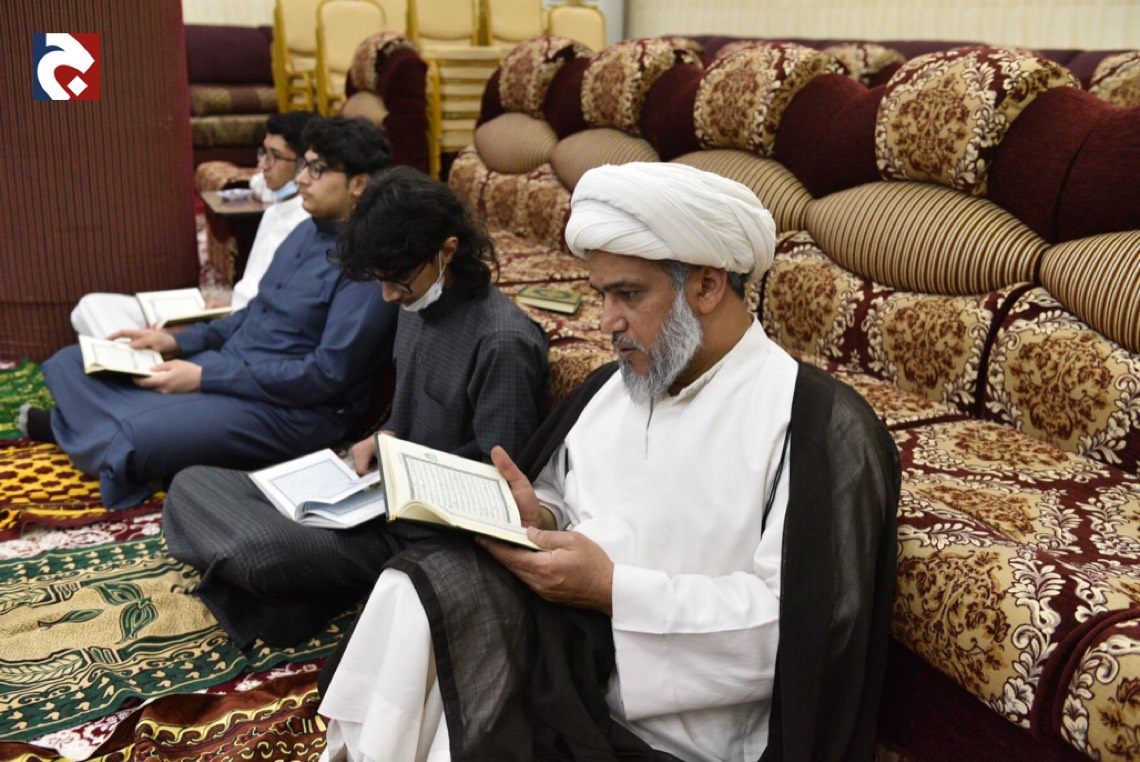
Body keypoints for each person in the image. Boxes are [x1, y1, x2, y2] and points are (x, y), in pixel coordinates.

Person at [317, 162, 901, 762]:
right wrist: (542, 515)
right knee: (413, 589)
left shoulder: (810, 424)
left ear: (706, 286)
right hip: (567, 657)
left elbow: (803, 634)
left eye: (629, 294)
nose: (606, 322)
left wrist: (614, 591)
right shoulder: (614, 385)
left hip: (680, 728)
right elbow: (567, 494)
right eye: (602, 295)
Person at [161, 165, 550, 648]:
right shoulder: (415, 301)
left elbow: (501, 489)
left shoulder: (502, 342)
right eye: (380, 281)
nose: (387, 296)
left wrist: (407, 477)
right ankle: (291, 589)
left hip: (418, 535)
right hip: (374, 496)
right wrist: (383, 436)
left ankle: (298, 587)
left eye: (398, 282)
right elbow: (409, 410)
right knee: (190, 484)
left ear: (447, 251)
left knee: (255, 550)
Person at [23, 116, 399, 510]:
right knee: (68, 364)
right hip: (229, 369)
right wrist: (175, 342)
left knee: (134, 437)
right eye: (304, 165)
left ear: (359, 184)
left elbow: (324, 377)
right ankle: (111, 442)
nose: (302, 179)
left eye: (317, 170)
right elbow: (251, 314)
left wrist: (205, 378)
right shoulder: (305, 230)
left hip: (289, 411)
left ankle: (87, 433)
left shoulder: (367, 269)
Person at [69, 111, 319, 339]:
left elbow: (275, 315)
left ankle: (141, 356)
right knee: (90, 306)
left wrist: (204, 329)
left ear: (302, 165)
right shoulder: (277, 206)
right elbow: (257, 183)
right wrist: (224, 309)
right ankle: (140, 353)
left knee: (104, 321)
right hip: (228, 313)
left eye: (274, 157)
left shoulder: (307, 225)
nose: (262, 164)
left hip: (241, 330)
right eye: (263, 153)